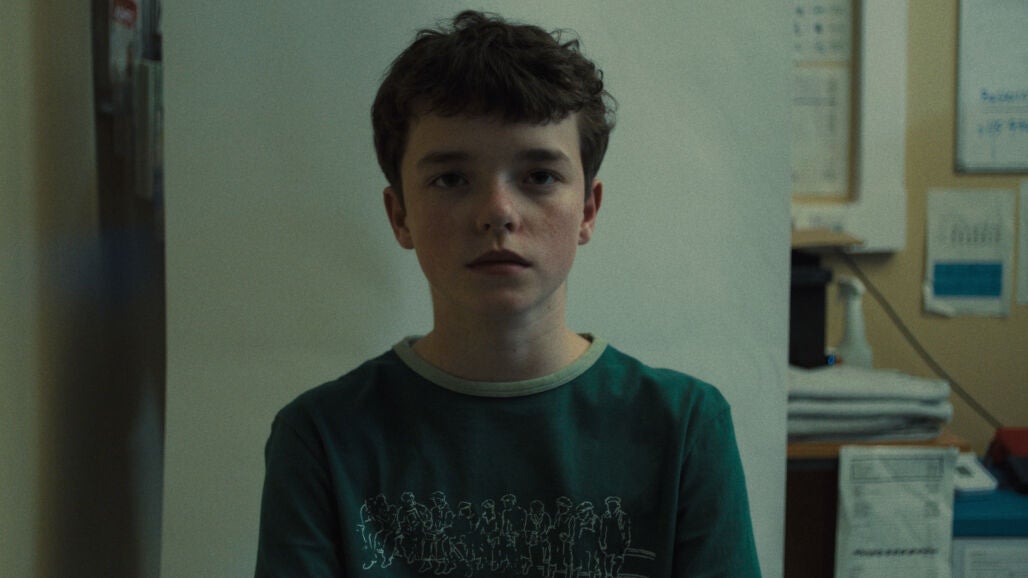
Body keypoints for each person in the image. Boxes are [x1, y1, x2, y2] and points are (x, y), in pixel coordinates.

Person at [255, 10, 760, 577]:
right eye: (451, 179)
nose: (497, 212)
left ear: (587, 210)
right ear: (400, 216)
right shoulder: (322, 437)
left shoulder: (685, 426)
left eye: (539, 176)